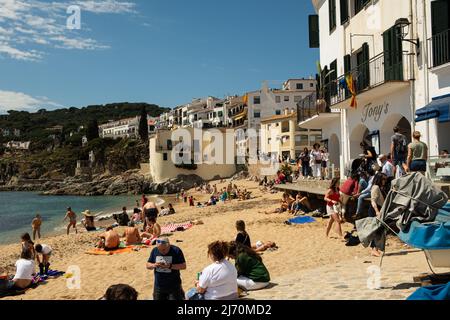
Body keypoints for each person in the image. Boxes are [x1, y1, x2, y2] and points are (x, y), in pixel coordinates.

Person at [369, 173, 388, 257]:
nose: (384, 181)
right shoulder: (375, 187)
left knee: (380, 230)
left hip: (380, 209)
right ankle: (374, 249)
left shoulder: (381, 188)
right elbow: (373, 200)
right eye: (383, 179)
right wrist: (377, 211)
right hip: (375, 210)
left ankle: (376, 248)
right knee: (376, 230)